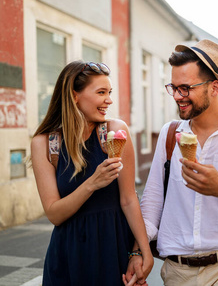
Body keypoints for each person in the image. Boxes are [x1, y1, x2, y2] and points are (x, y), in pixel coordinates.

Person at [125, 39, 218, 285]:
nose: (177, 96)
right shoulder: (169, 134)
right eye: (173, 87)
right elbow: (153, 201)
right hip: (176, 272)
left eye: (185, 88)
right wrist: (138, 251)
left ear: (214, 88)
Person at [30, 61, 153, 285]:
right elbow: (54, 214)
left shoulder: (116, 132)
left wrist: (142, 251)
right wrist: (92, 183)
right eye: (101, 92)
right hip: (69, 256)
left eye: (110, 92)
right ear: (74, 95)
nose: (109, 100)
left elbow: (128, 199)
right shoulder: (45, 144)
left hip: (114, 248)